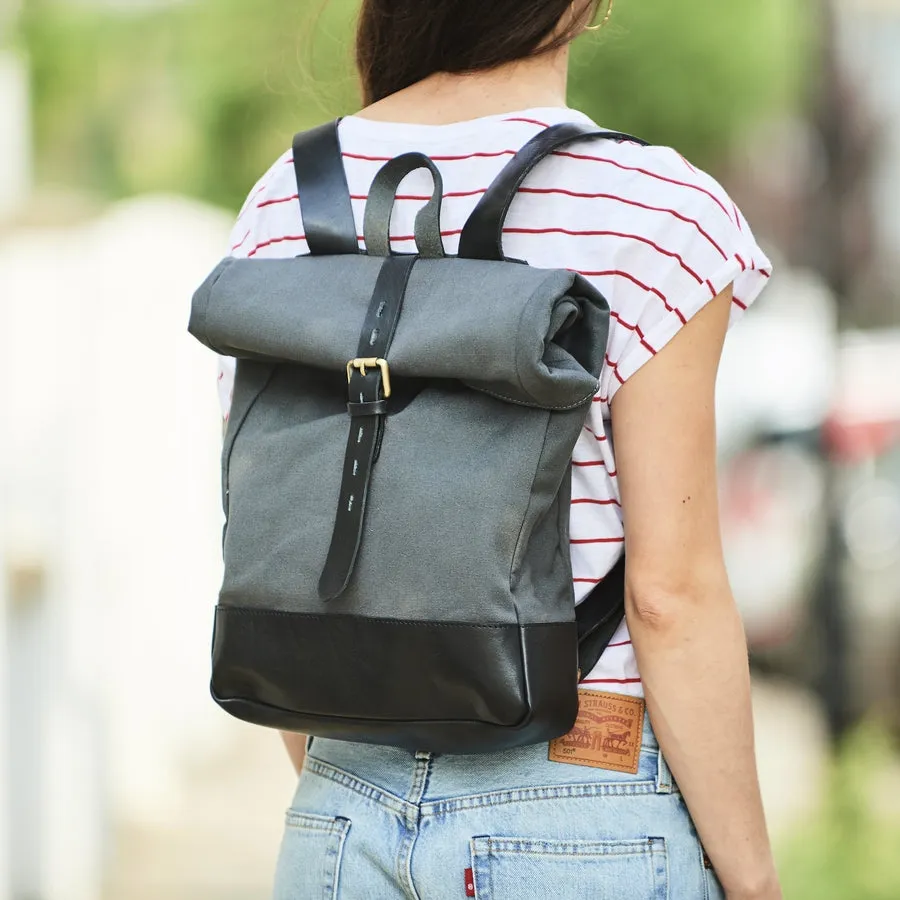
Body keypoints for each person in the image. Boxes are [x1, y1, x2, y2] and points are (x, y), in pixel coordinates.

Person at [218, 1, 781, 897]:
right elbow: (671, 598)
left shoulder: (283, 200)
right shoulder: (658, 209)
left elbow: (278, 539)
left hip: (339, 805)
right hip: (581, 810)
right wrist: (755, 883)